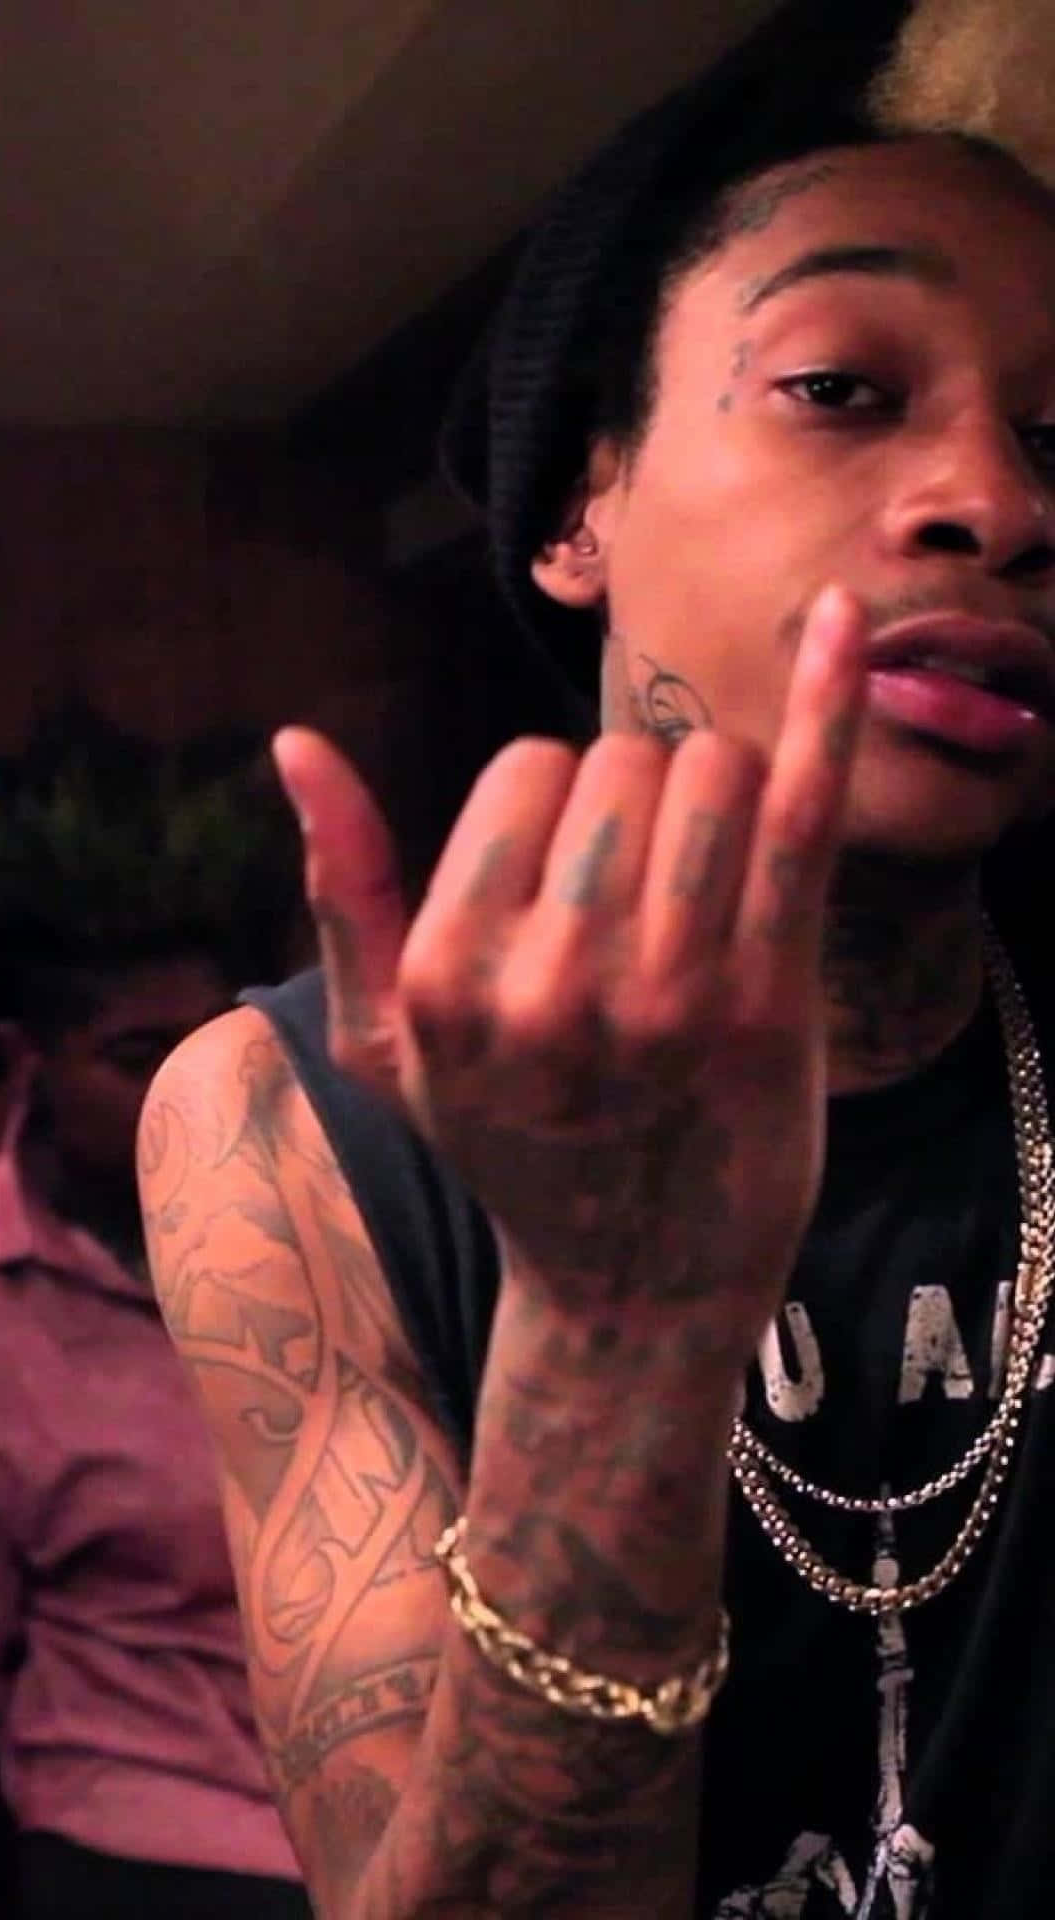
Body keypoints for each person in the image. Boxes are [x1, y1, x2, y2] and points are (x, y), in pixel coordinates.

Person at [139, 1, 1055, 1913]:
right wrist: (613, 1343)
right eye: (843, 386)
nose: (1003, 503)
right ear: (578, 502)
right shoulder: (285, 1122)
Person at [0, 722, 310, 1919]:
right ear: (28, 1059)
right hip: (134, 1829)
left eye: (215, 1048)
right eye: (136, 1058)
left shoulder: (351, 1219)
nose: (191, 1095)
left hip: (385, 1808)